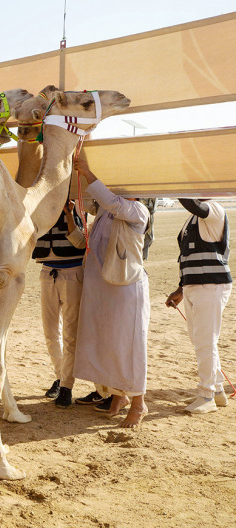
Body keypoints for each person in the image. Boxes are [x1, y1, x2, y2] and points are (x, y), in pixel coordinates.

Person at [72, 157, 151, 428]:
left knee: (129, 345)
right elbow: (87, 239)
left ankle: (139, 403)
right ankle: (119, 395)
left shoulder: (137, 210)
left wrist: (88, 172)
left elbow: (113, 203)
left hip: (126, 289)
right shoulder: (105, 213)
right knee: (109, 342)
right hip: (104, 290)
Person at [165, 198, 231, 413]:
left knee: (205, 340)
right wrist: (181, 289)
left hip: (211, 285)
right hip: (195, 285)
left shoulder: (214, 208)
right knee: (200, 339)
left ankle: (206, 395)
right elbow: (188, 257)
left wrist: (176, 184)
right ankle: (218, 390)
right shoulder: (191, 219)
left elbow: (194, 205)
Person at [32, 200, 87, 408]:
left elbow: (81, 241)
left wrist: (70, 213)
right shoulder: (39, 204)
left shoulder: (78, 202)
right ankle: (60, 376)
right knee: (50, 331)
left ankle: (66, 386)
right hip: (47, 271)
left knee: (70, 333)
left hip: (72, 272)